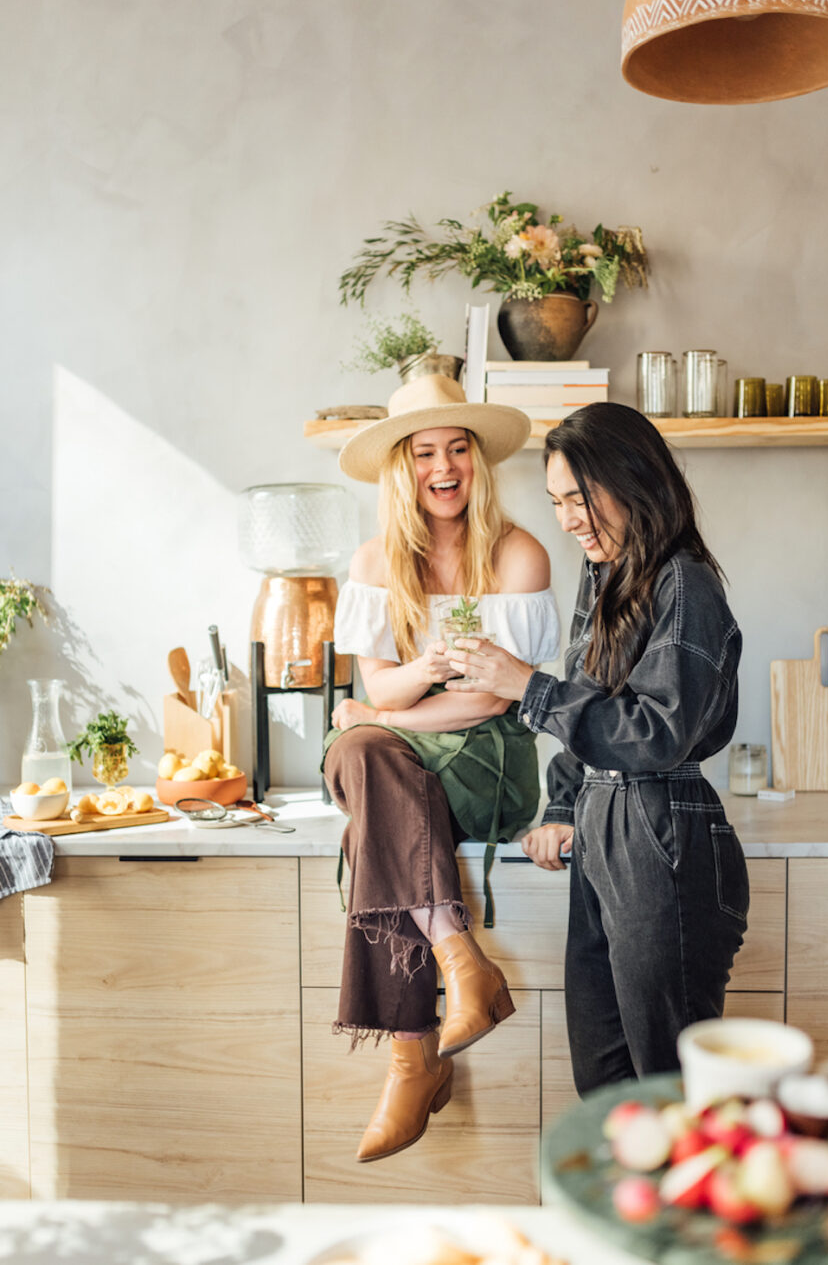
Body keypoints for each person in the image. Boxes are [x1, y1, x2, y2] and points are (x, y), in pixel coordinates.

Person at [446, 402, 749, 1097]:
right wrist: (561, 807)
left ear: (636, 481)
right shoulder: (605, 577)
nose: (568, 519)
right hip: (606, 828)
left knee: (665, 1087)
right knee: (604, 1084)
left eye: (579, 498)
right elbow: (595, 705)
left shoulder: (684, 583)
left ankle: (680, 1208)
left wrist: (527, 686)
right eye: (555, 502)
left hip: (663, 831)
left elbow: (655, 733)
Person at [323, 373, 560, 1162]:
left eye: (457, 447)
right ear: (403, 466)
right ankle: (460, 961)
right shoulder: (373, 561)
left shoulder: (518, 555)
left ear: (477, 461)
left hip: (485, 772)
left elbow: (494, 700)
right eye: (424, 450)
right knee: (368, 762)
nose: (443, 464)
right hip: (404, 767)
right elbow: (380, 682)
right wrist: (414, 677)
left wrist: (379, 716)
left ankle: (413, 1061)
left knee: (369, 786)